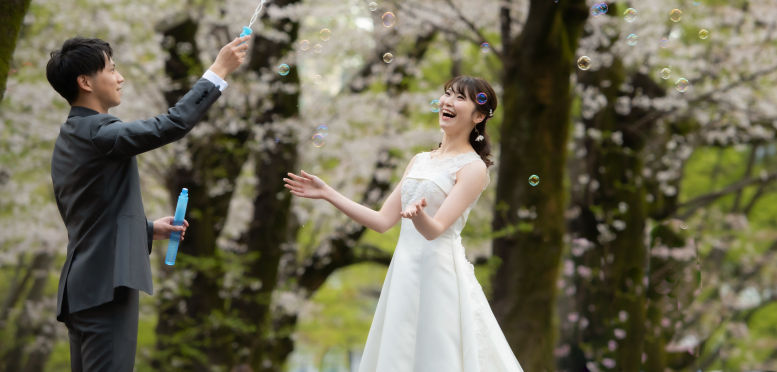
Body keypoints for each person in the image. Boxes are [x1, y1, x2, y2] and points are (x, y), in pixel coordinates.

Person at [285, 76, 524, 371]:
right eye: (447, 94)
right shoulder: (420, 159)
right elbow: (382, 221)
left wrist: (419, 215)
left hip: (440, 272)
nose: (448, 101)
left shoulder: (473, 168)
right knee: (399, 353)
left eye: (460, 98)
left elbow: (435, 231)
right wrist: (327, 193)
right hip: (404, 269)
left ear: (478, 116)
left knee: (437, 354)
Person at [47, 34, 249, 372]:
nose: (120, 77)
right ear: (86, 82)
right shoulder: (99, 132)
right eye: (111, 69)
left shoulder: (70, 136)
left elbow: (89, 214)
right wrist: (217, 70)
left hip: (81, 289)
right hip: (107, 287)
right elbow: (172, 124)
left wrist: (148, 229)